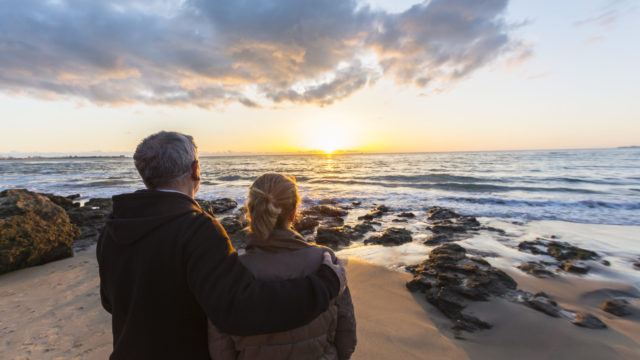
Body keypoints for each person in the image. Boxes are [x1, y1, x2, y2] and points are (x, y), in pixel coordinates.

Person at [97, 131, 346, 360]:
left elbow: (110, 302)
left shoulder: (113, 229)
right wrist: (325, 284)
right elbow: (241, 310)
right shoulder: (196, 229)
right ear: (195, 169)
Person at [208, 173, 357, 360]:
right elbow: (347, 334)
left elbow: (221, 348)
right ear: (294, 211)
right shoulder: (325, 261)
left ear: (251, 211)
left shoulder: (232, 271)